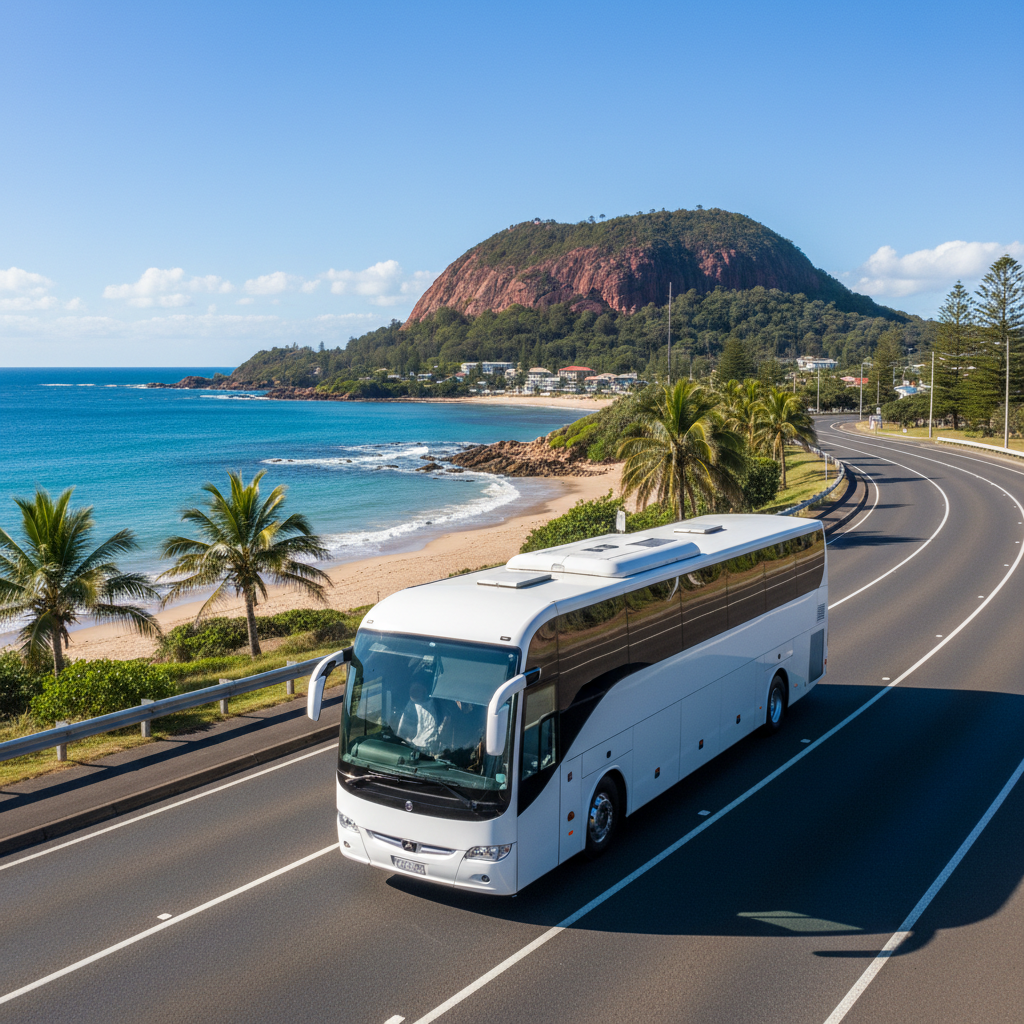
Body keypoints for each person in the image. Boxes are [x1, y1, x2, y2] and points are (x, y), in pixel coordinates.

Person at [397, 681, 447, 755]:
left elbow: (444, 724)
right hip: (410, 747)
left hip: (430, 750)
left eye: (417, 689)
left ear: (425, 690)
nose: (414, 692)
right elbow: (401, 732)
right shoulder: (410, 706)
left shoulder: (437, 705)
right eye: (413, 690)